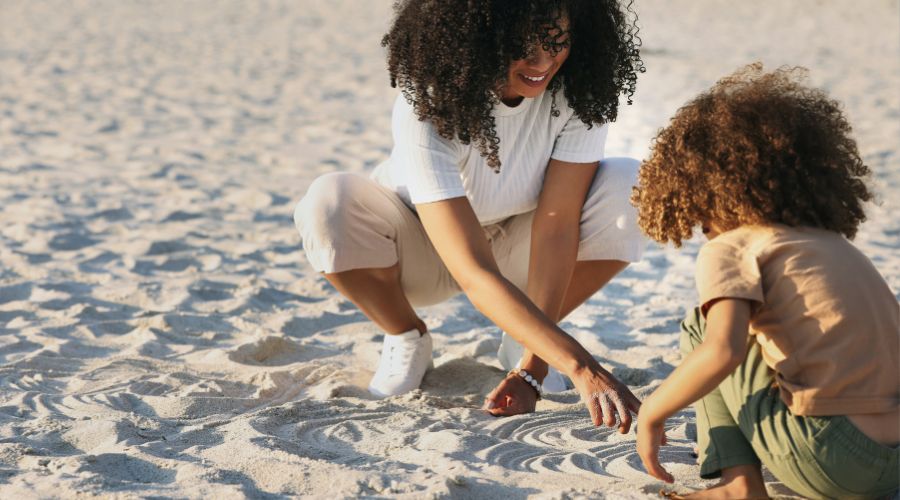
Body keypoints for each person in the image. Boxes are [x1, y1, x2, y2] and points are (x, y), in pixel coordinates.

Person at [293, 0, 647, 430]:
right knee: (327, 200)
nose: (542, 61)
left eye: (557, 42)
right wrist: (581, 367)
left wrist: (534, 369)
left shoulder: (581, 90)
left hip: (521, 242)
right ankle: (407, 335)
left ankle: (524, 335)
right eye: (522, 46)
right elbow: (473, 271)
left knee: (632, 184)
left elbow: (557, 226)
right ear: (478, 41)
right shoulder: (429, 98)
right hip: (419, 249)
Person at [632, 64, 899, 499]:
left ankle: (738, 485)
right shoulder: (833, 244)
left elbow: (724, 351)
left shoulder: (734, 246)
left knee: (703, 328)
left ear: (694, 187)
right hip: (894, 463)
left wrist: (651, 413)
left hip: (833, 459)